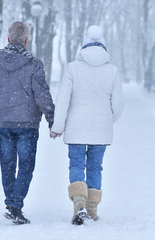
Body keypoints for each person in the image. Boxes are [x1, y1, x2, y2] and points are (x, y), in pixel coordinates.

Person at [0, 21, 55, 225]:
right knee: (26, 165)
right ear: (26, 40)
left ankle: (11, 203)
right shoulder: (34, 65)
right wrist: (51, 119)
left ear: (9, 38)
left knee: (7, 164)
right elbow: (42, 95)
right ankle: (15, 204)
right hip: (28, 124)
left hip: (4, 124)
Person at [51, 25, 124, 225]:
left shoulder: (72, 68)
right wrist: (108, 120)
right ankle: (92, 209)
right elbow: (118, 105)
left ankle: (79, 201)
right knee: (95, 166)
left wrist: (57, 127)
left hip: (75, 128)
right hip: (102, 129)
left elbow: (63, 100)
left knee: (76, 164)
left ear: (83, 47)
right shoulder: (112, 71)